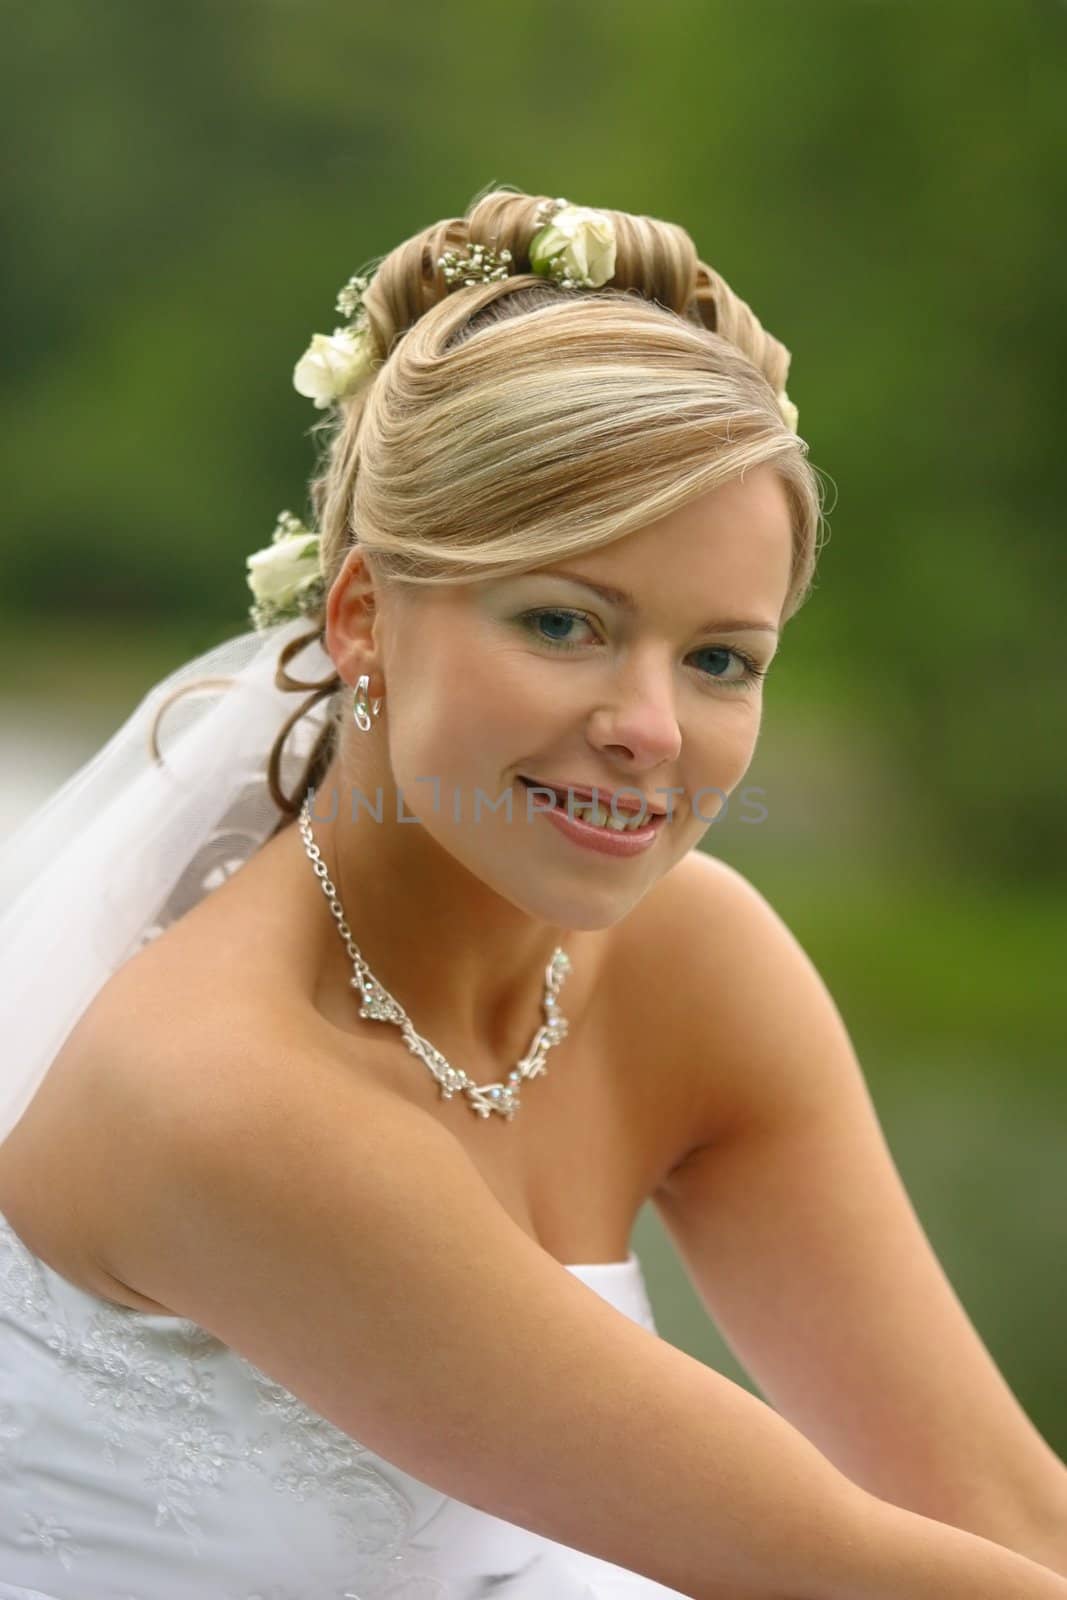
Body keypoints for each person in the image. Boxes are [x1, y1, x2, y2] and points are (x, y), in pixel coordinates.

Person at [0, 185, 1065, 1600]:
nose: (654, 729)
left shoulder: (694, 962)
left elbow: (998, 1510)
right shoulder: (222, 1097)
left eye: (721, 659)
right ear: (365, 615)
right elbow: (845, 1573)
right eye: (566, 622)